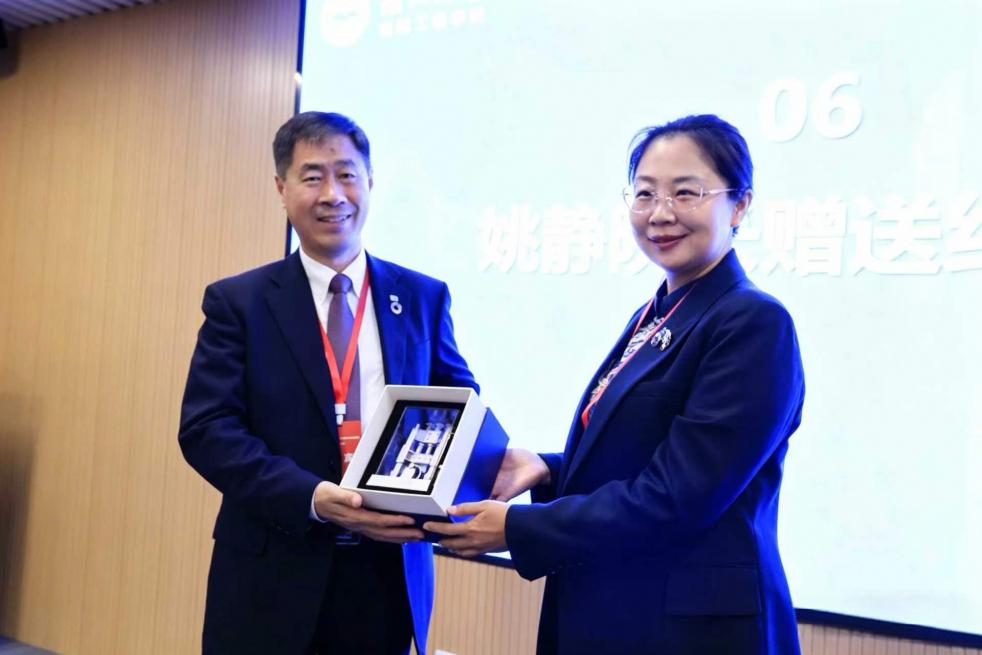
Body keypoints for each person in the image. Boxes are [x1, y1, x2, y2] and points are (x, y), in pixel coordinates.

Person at [425, 114, 805, 654]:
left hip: (690, 632)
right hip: (621, 610)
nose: (661, 213)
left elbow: (679, 496)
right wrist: (547, 468)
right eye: (645, 193)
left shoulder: (752, 322)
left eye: (686, 192)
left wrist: (519, 529)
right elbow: (639, 456)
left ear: (740, 204)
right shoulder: (659, 312)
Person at [179, 111, 477, 655]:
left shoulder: (422, 297)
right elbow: (207, 430)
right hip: (273, 568)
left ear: (370, 182)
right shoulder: (239, 302)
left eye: (346, 175)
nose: (332, 195)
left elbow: (457, 408)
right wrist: (312, 497)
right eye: (313, 177)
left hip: (386, 572)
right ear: (281, 188)